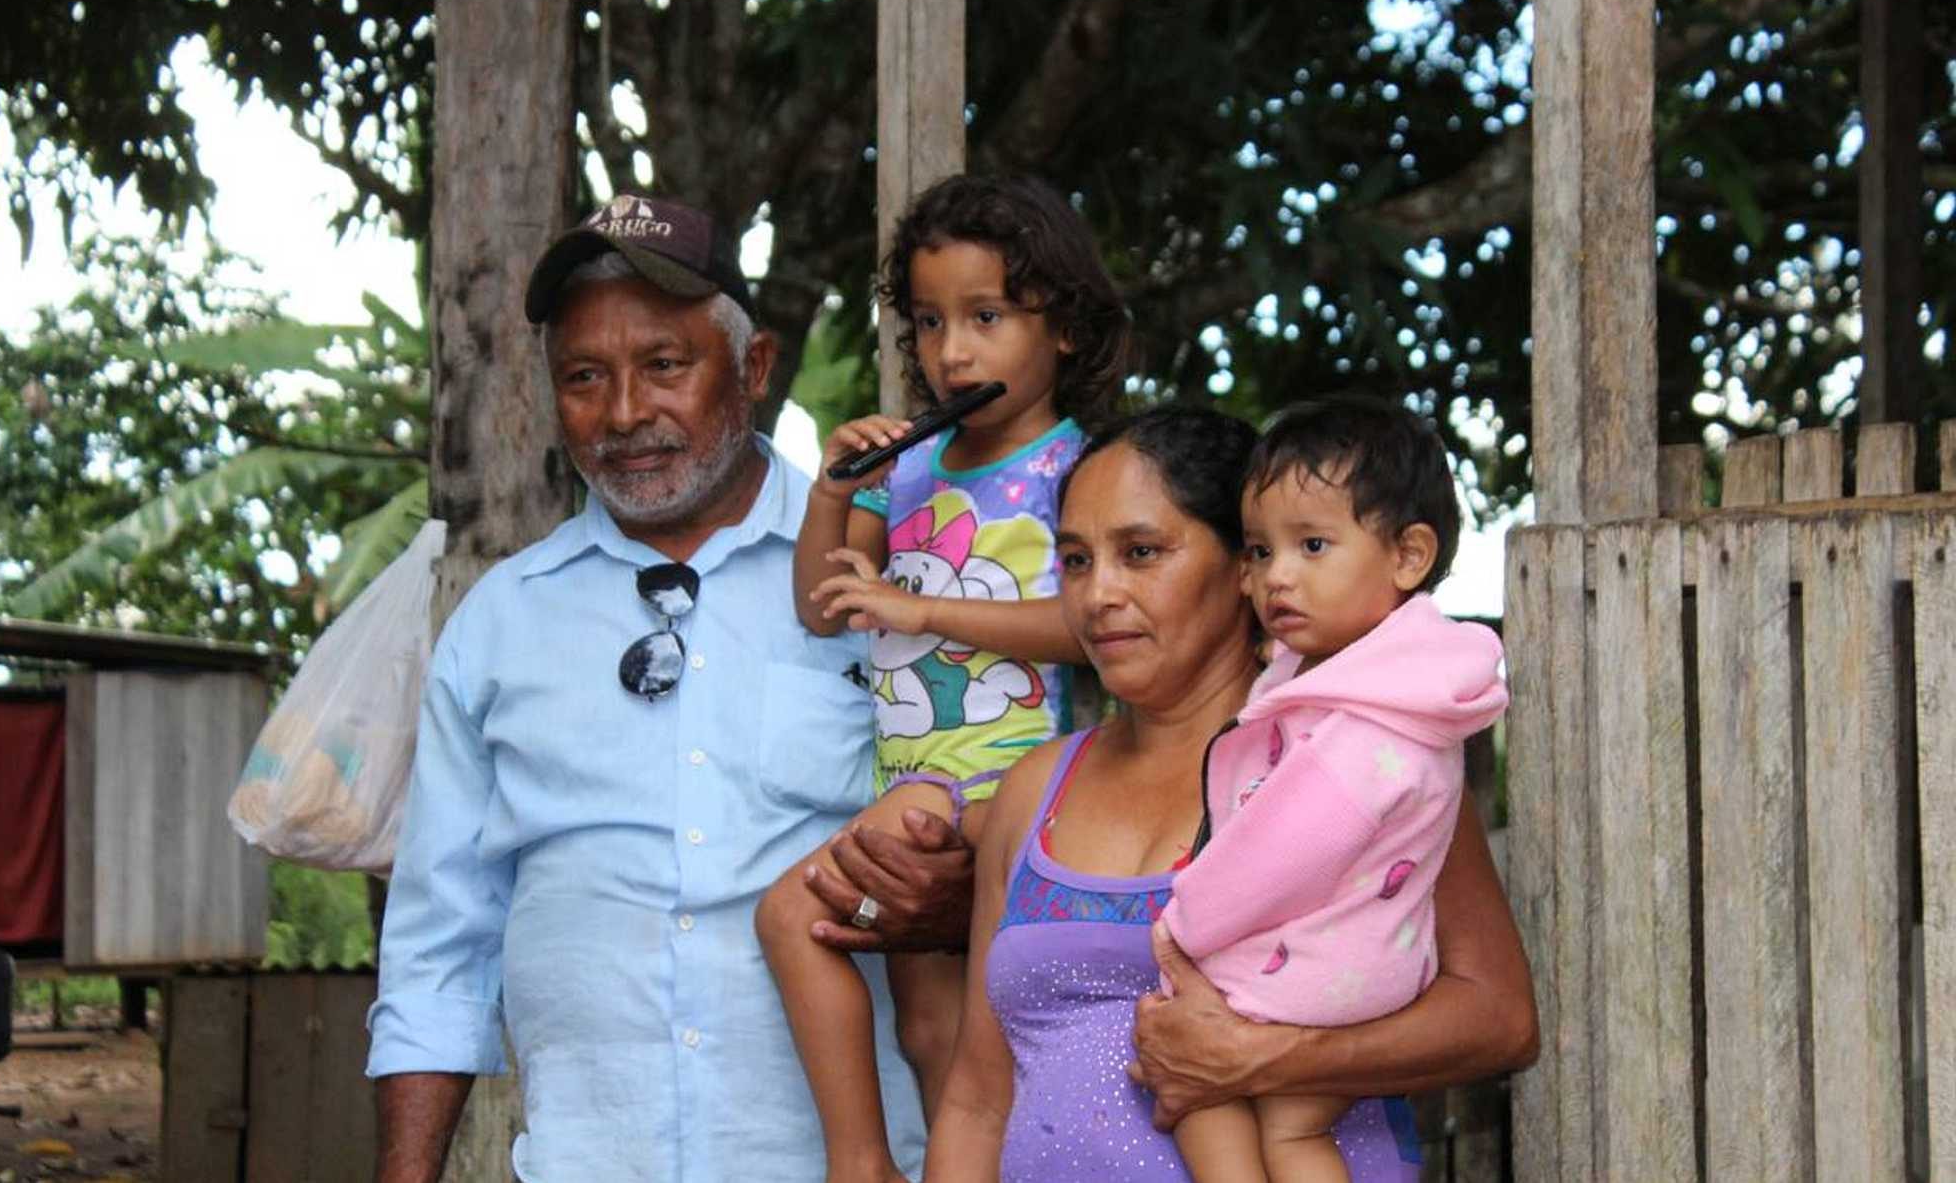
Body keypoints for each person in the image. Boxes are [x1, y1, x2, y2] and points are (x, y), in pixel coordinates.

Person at [366, 192, 945, 1183]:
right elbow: (437, 941)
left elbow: (1005, 817)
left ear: (753, 368)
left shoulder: (891, 575)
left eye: (664, 366)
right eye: (585, 377)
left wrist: (950, 897)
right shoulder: (501, 624)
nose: (625, 414)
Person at [924, 406, 1538, 1182]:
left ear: (1241, 568)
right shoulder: (1036, 790)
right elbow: (978, 1099)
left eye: (1141, 552)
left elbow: (1500, 1019)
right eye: (1076, 561)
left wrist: (1264, 1058)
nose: (1098, 593)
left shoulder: (1356, 759)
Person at [756, 174, 1130, 1183]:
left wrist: (923, 611)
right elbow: (819, 603)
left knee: (791, 915)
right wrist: (835, 493)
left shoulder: (1079, 469)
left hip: (1004, 782)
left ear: (1062, 330)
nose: (950, 353)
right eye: (927, 323)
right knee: (935, 1034)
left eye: (984, 317)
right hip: (910, 778)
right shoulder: (910, 465)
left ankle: (859, 1165)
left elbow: (1086, 627)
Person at [1156, 396, 1508, 1182]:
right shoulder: (1385, 686)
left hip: (1320, 974)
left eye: (1312, 544)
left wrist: (1180, 924)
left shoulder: (1367, 722)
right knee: (1280, 1125)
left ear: (1409, 556)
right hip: (1362, 962)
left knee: (1205, 1090)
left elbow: (1282, 849)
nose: (1275, 576)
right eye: (1258, 551)